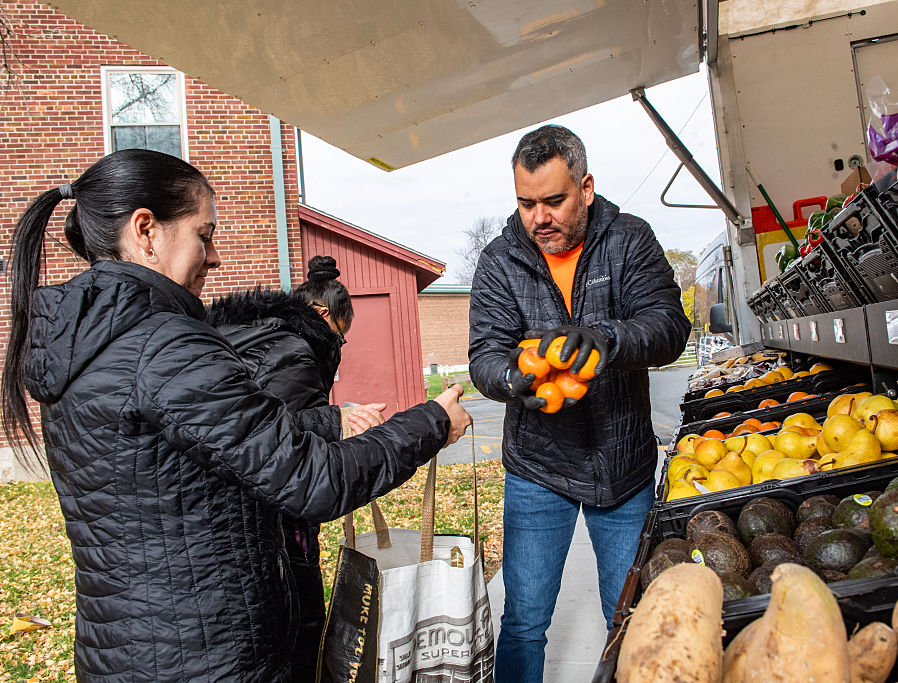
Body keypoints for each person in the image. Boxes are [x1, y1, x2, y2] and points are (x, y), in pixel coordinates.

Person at [0, 149, 472, 682]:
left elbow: (195, 445)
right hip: (207, 658)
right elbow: (313, 481)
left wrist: (329, 421)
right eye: (204, 235)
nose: (216, 256)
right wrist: (432, 423)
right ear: (146, 231)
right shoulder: (165, 346)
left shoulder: (87, 343)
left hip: (124, 652)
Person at [468, 125, 691, 680]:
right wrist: (511, 377)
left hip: (624, 465)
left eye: (553, 201)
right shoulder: (499, 262)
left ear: (586, 188)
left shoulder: (630, 239)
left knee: (629, 616)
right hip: (537, 470)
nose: (538, 217)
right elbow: (484, 355)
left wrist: (608, 339)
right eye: (525, 203)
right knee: (522, 621)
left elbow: (668, 326)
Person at [206, 255, 383, 681]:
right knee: (300, 630)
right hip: (281, 527)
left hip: (222, 525)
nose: (338, 348)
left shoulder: (242, 333)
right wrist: (337, 421)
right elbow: (284, 447)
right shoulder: (294, 351)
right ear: (323, 315)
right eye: (341, 338)